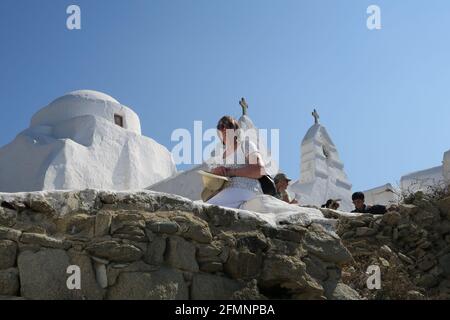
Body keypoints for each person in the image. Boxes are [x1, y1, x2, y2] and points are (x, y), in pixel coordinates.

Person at [206, 116, 266, 209]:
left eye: (228, 125)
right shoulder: (219, 158)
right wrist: (215, 173)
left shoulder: (245, 145)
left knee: (204, 209)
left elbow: (259, 169)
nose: (224, 128)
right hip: (228, 194)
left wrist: (230, 172)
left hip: (247, 191)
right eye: (221, 126)